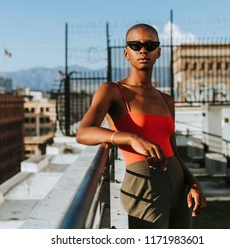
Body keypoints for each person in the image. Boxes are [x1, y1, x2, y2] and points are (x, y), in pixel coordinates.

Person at [76, 23, 207, 229]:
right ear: (126, 53)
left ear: (159, 52)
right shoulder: (112, 91)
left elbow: (172, 150)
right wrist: (130, 138)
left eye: (150, 44)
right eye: (135, 45)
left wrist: (193, 182)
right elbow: (83, 132)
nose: (143, 50)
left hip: (178, 183)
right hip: (143, 184)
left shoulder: (166, 100)